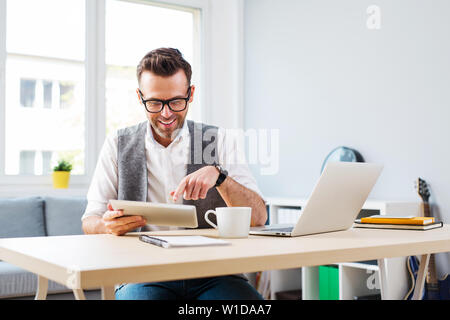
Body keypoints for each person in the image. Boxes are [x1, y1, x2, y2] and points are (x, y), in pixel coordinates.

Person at [81, 48, 267, 300]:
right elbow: (90, 220)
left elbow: (258, 218)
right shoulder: (117, 143)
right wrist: (106, 225)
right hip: (142, 273)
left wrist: (220, 177)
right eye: (155, 103)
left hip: (215, 272)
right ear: (140, 96)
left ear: (191, 94)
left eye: (176, 101)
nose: (166, 114)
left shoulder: (218, 140)